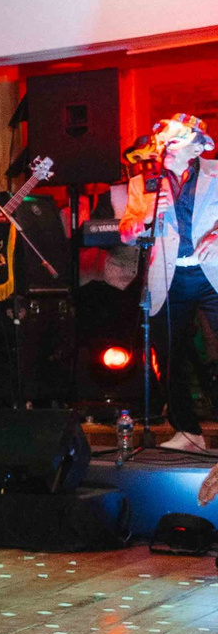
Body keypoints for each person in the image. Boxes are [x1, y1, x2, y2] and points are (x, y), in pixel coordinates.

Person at [117, 114, 218, 452]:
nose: (164, 146)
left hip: (212, 272)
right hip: (169, 275)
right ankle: (189, 433)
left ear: (196, 146)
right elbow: (127, 232)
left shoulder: (217, 173)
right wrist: (145, 217)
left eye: (173, 140)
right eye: (162, 141)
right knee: (168, 355)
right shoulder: (143, 183)